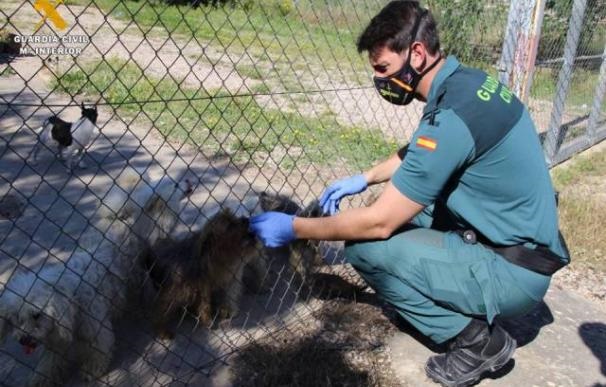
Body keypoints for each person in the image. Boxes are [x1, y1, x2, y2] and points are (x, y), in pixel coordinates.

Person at [249, 1, 570, 386]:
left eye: (383, 69)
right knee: (393, 210)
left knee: (365, 245)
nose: (380, 81)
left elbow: (380, 223)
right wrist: (363, 178)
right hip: (518, 242)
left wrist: (295, 227)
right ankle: (438, 296)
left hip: (513, 272)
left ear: (416, 54)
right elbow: (419, 151)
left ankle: (476, 342)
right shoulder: (465, 84)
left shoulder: (450, 117)